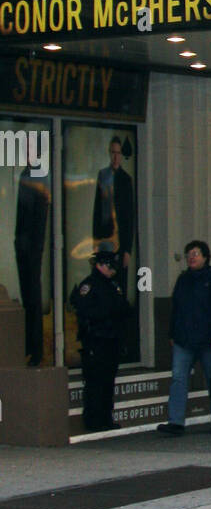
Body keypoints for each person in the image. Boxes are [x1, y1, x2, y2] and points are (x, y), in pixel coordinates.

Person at [157, 240, 211, 436]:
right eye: (189, 253)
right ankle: (175, 421)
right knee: (178, 378)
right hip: (184, 339)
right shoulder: (183, 280)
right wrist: (173, 333)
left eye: (196, 253)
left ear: (205, 257)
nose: (191, 257)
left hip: (208, 339)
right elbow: (176, 308)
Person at [70, 249, 132, 431]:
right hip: (95, 341)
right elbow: (84, 311)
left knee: (107, 382)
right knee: (95, 382)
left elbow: (124, 308)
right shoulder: (90, 285)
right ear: (100, 265)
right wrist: (109, 313)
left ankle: (105, 418)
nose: (113, 270)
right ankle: (93, 420)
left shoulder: (113, 285)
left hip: (112, 340)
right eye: (109, 266)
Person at [15, 164, 50, 366]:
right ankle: (31, 346)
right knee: (28, 296)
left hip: (32, 247)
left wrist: (36, 248)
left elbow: (40, 212)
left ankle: (36, 349)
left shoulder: (40, 176)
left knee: (34, 298)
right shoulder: (25, 175)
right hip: (23, 245)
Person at [92, 136, 135, 293]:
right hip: (105, 240)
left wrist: (127, 249)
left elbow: (129, 216)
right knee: (103, 285)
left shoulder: (126, 179)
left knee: (119, 285)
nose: (115, 157)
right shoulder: (103, 175)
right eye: (113, 153)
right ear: (109, 153)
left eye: (118, 153)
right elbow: (97, 210)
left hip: (119, 241)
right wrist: (95, 241)